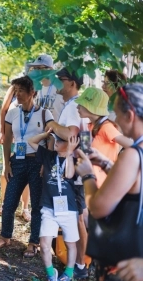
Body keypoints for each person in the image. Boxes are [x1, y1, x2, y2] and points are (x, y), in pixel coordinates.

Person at [74, 83, 143, 280]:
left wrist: (88, 175)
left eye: (117, 115)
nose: (116, 121)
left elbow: (97, 207)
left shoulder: (132, 155)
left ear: (129, 116)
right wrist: (105, 163)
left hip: (125, 265)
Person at [0, 76, 54, 258]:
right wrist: (6, 164)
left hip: (37, 163)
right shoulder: (12, 112)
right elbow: (8, 139)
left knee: (36, 205)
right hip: (17, 161)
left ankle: (34, 242)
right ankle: (5, 236)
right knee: (9, 202)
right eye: (15, 90)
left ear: (32, 93)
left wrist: (46, 164)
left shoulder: (44, 114)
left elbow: (51, 139)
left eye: (21, 90)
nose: (17, 94)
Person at [46, 67, 88, 278]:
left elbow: (72, 135)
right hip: (78, 167)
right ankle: (79, 262)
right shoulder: (75, 106)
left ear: (72, 83)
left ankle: (80, 265)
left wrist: (52, 124)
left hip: (73, 168)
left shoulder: (73, 107)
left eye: (60, 80)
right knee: (79, 216)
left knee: (79, 217)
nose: (56, 84)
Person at [28, 132, 80, 281]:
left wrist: (70, 152)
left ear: (70, 143)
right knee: (44, 245)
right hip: (49, 207)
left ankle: (69, 273)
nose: (56, 142)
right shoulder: (48, 156)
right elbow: (31, 140)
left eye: (60, 140)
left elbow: (69, 175)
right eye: (56, 139)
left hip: (68, 209)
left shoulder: (74, 159)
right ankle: (51, 274)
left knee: (70, 243)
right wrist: (46, 134)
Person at [75, 87, 132, 187]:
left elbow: (132, 145)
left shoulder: (106, 127)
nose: (77, 107)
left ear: (91, 107)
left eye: (81, 104)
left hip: (104, 185)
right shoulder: (90, 126)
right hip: (89, 182)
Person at [0, 83, 30, 222]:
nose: (18, 92)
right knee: (6, 171)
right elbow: (3, 111)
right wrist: (1, 132)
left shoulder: (32, 92)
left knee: (25, 173)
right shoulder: (12, 92)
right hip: (11, 139)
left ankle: (25, 208)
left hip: (24, 142)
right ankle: (4, 202)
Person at [27, 54, 64, 122]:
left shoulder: (60, 87)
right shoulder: (35, 88)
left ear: (50, 69)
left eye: (39, 68)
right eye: (35, 68)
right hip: (39, 131)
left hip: (56, 130)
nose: (36, 71)